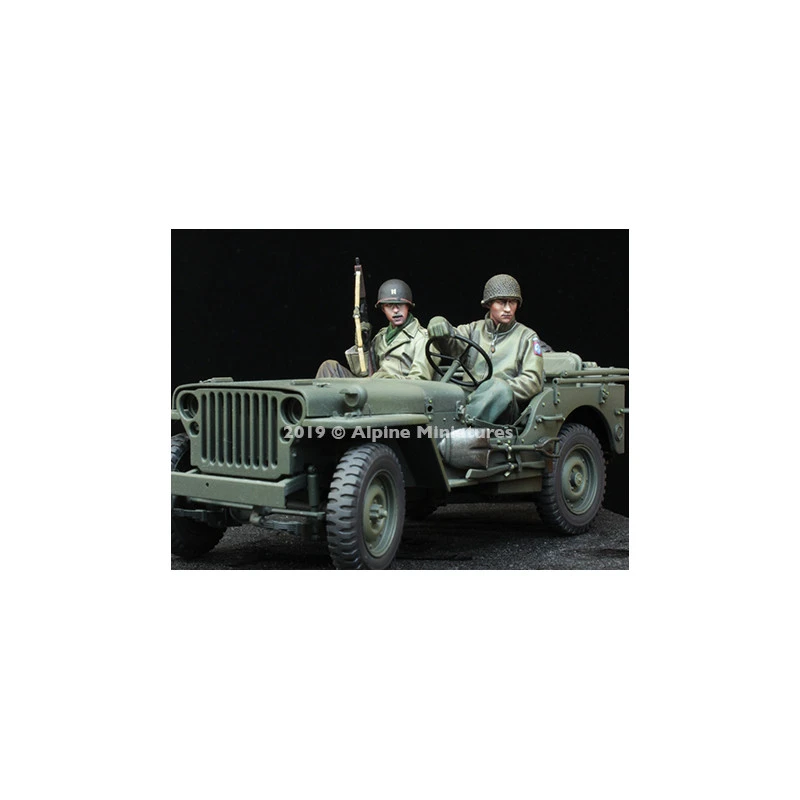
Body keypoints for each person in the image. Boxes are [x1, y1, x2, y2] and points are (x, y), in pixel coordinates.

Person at [427, 274, 548, 423]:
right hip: (469, 398)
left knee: (499, 388)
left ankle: (462, 426)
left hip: (504, 408)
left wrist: (493, 390)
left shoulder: (527, 337)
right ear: (489, 304)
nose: (508, 309)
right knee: (439, 388)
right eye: (501, 302)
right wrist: (439, 325)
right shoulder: (473, 330)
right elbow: (450, 345)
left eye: (512, 302)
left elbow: (532, 382)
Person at [316, 279, 434, 380]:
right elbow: (363, 373)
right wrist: (362, 346)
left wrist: (388, 380)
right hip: (373, 388)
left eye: (400, 304)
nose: (395, 310)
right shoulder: (381, 337)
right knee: (329, 367)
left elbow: (420, 382)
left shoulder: (422, 338)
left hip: (396, 394)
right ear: (383, 309)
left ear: (408, 306)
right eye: (389, 305)